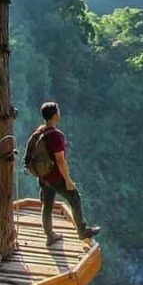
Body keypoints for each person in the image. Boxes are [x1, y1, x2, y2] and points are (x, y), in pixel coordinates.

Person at [34, 101, 100, 246]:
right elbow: (60, 161)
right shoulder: (56, 136)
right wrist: (68, 181)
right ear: (54, 115)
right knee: (75, 197)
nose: (59, 113)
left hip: (43, 176)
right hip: (56, 177)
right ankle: (82, 231)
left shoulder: (39, 132)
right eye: (58, 111)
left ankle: (50, 236)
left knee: (47, 206)